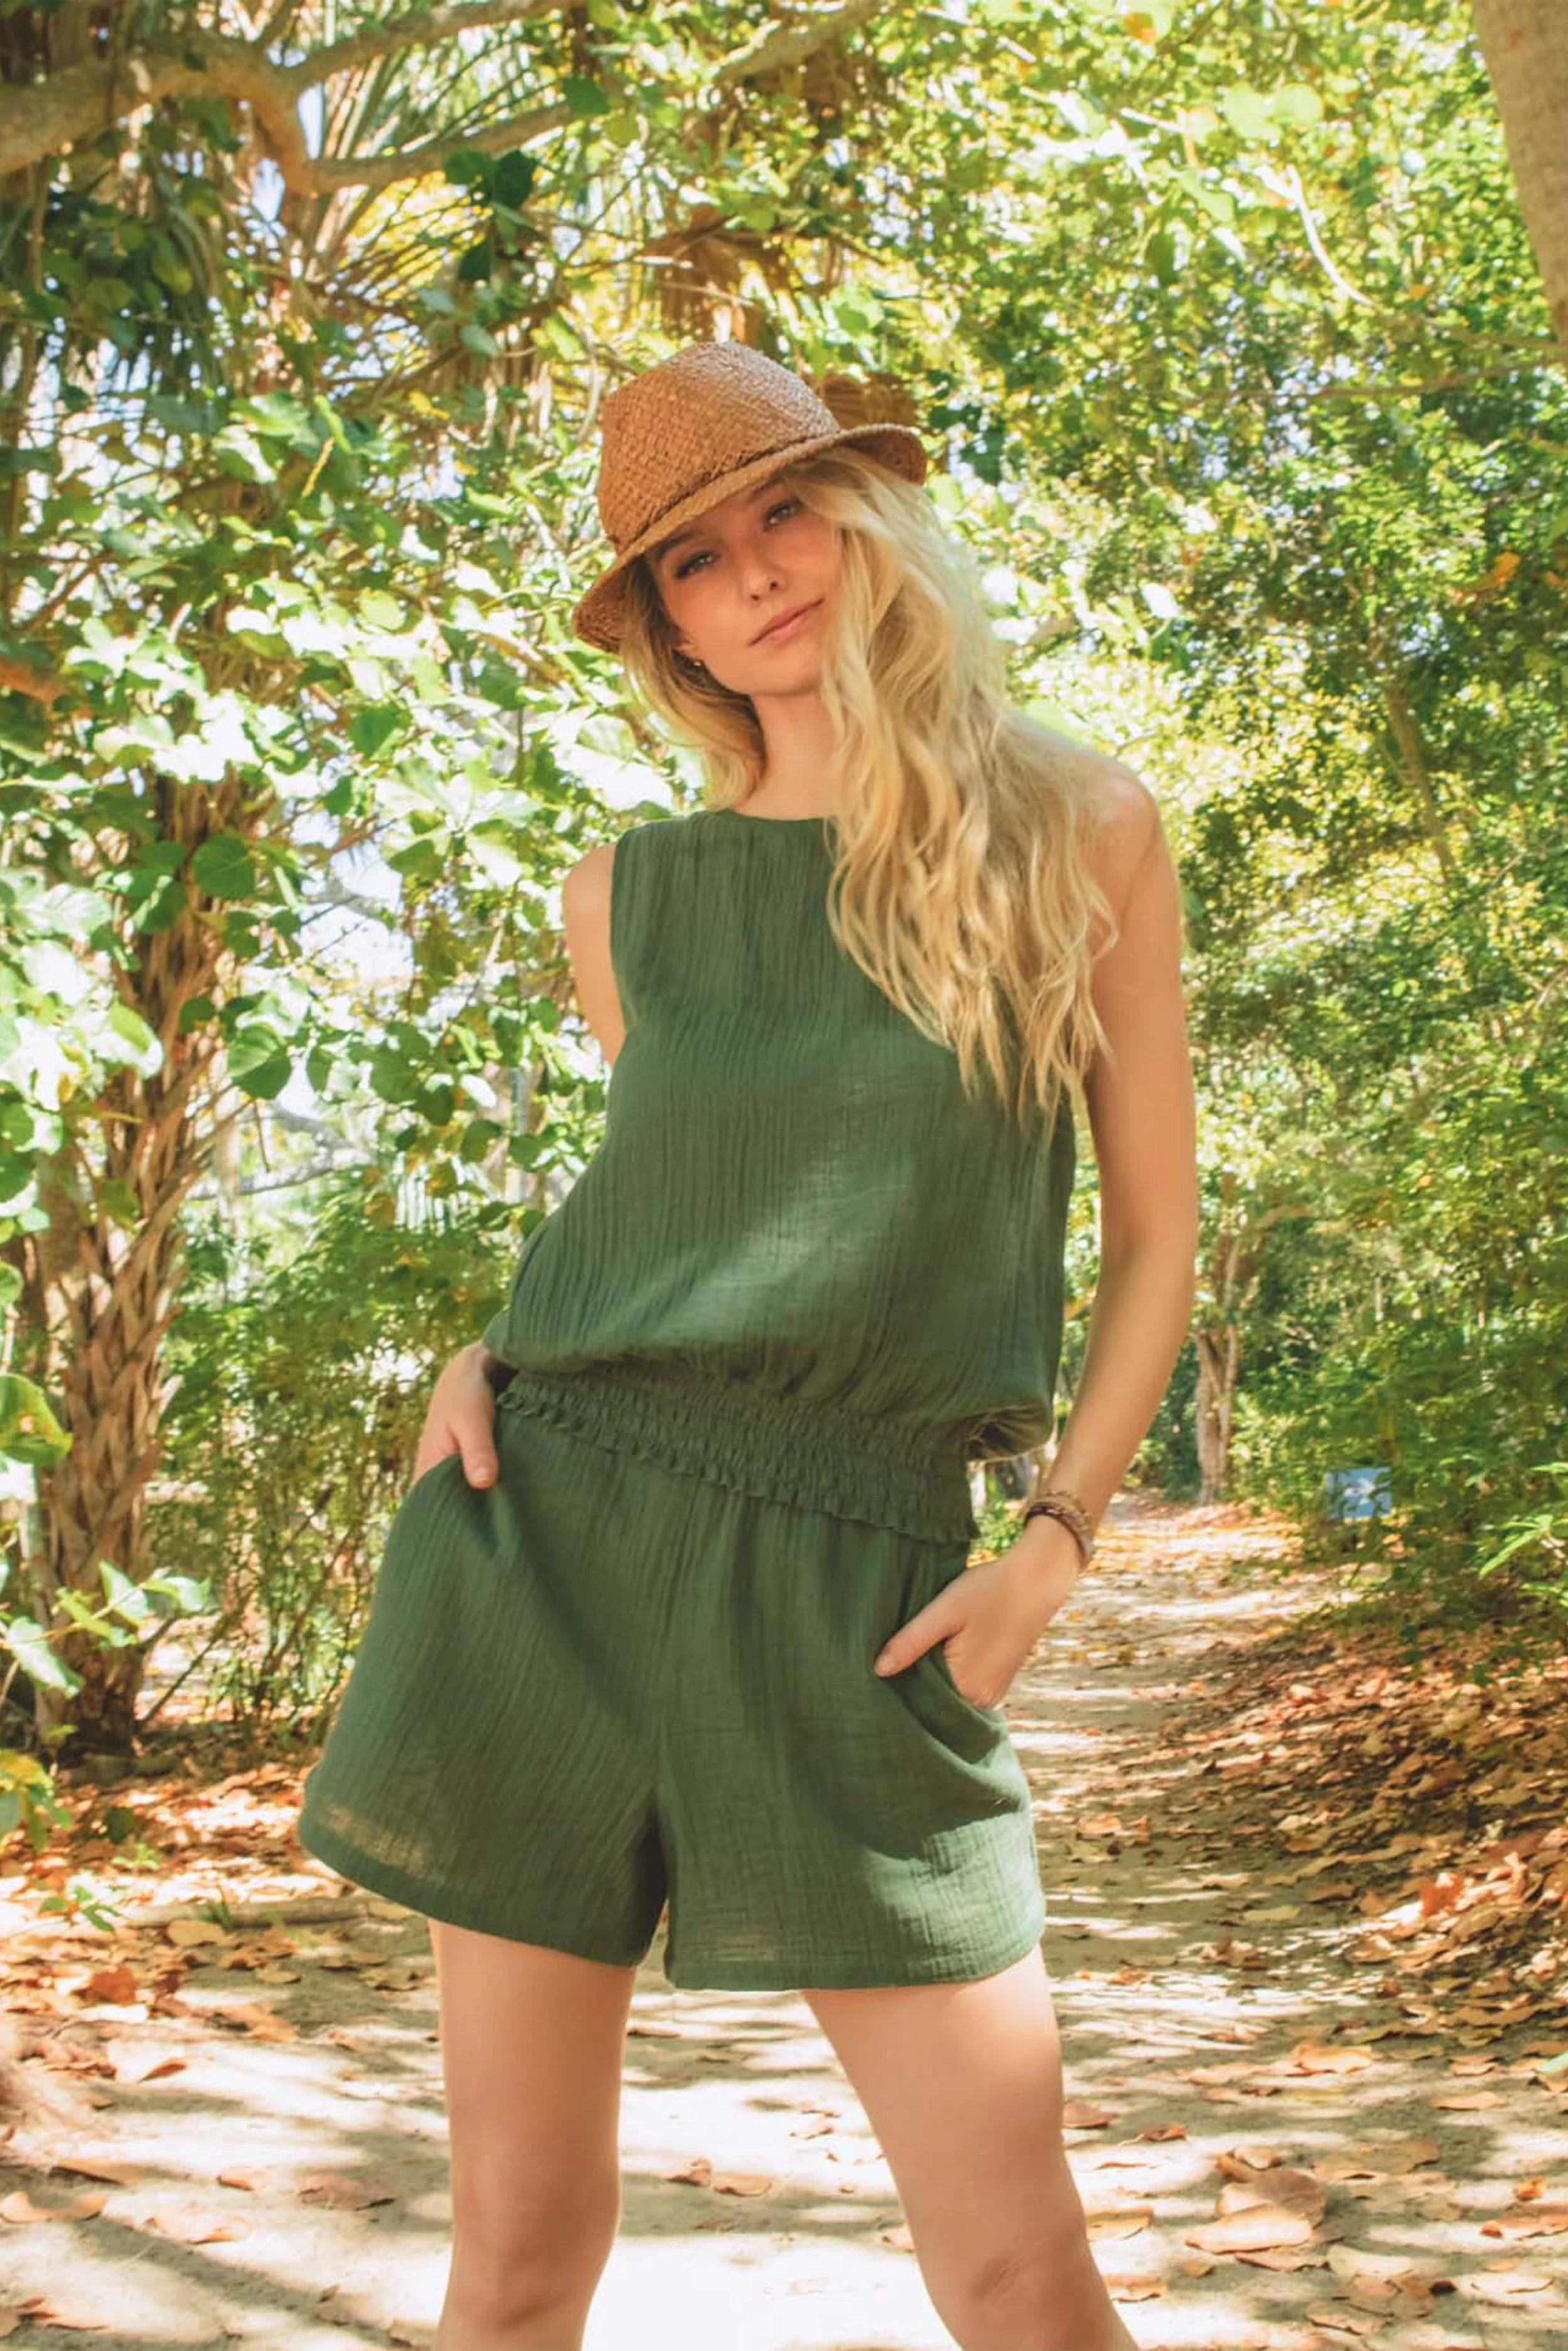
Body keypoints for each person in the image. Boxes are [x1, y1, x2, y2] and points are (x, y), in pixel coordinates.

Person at [297, 339, 1198, 2351]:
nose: (757, 573)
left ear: (868, 519)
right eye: (694, 561)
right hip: (546, 1552)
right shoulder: (622, 894)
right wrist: (490, 1350)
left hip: (856, 1582)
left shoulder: (1076, 825)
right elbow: (677, 1205)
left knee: (1017, 2265)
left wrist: (1054, 1538)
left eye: (784, 512)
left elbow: (1156, 1236)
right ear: (671, 633)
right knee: (516, 2260)